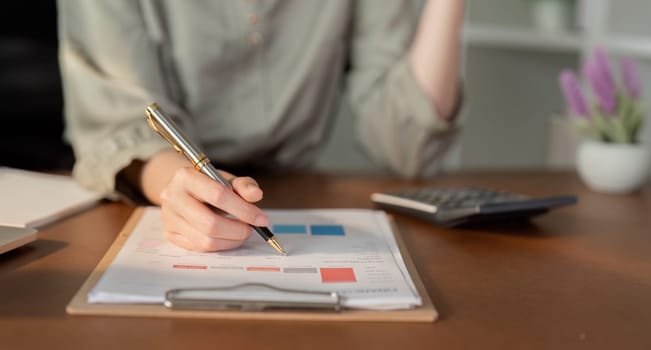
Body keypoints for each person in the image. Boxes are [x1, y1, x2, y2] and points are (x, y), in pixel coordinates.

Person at [58, 0, 465, 252]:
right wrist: (174, 187)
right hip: (151, 191)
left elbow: (406, 142)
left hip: (298, 191)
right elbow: (119, 123)